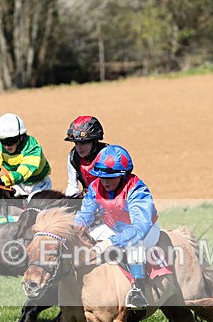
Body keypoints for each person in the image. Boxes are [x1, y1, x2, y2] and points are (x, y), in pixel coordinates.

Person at [74, 144, 159, 310]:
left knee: (134, 244)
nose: (105, 181)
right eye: (101, 177)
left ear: (123, 175)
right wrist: (72, 230)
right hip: (113, 227)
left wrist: (111, 242)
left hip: (145, 230)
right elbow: (84, 216)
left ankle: (137, 291)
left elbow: (139, 227)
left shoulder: (136, 189)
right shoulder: (94, 187)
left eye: (110, 177)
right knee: (86, 236)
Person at [0, 113, 52, 197]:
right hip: (18, 184)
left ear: (21, 137)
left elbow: (22, 173)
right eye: (3, 141)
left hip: (39, 184)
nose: (7, 146)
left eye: (11, 140)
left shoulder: (32, 147)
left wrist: (0, 181)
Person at [64, 116, 108, 197]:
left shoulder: (108, 155)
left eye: (83, 143)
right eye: (76, 143)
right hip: (90, 200)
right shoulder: (73, 157)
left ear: (94, 141)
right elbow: (72, 186)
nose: (79, 148)